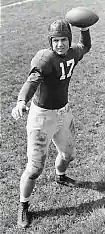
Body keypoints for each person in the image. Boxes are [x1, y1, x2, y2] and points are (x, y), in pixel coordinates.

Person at [12, 19, 91, 228]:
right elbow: (32, 81)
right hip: (42, 118)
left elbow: (85, 47)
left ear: (69, 40)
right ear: (50, 41)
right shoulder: (45, 59)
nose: (60, 44)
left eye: (64, 39)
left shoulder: (73, 53)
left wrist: (84, 28)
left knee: (68, 155)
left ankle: (60, 176)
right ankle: (23, 205)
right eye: (56, 40)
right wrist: (22, 101)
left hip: (64, 113)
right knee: (34, 169)